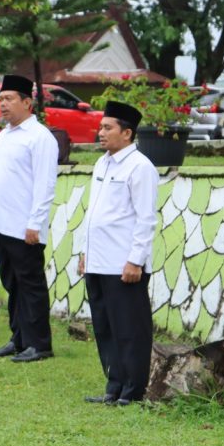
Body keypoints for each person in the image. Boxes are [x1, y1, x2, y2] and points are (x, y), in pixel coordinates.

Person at [79, 101, 158, 405]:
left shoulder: (140, 167)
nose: (101, 132)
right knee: (105, 328)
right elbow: (94, 213)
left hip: (124, 264)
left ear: (127, 133)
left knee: (130, 330)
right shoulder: (103, 163)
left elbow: (145, 218)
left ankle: (133, 391)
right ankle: (113, 387)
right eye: (101, 127)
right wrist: (84, 253)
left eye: (107, 127)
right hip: (98, 261)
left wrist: (135, 260)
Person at [0, 74, 59, 363]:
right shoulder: (2, 137)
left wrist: (35, 223)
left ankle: (39, 343)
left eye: (9, 99)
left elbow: (45, 185)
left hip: (24, 226)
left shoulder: (40, 137)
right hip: (0, 224)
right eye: (1, 99)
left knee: (31, 285)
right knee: (12, 284)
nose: (3, 104)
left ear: (27, 102)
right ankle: (19, 338)